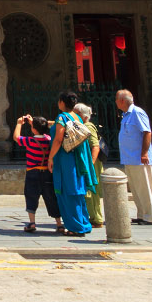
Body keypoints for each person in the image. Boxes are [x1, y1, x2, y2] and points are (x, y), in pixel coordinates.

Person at [47, 91, 98, 236]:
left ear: (62, 102)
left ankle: (76, 227)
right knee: (78, 192)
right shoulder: (77, 117)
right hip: (77, 158)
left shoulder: (62, 117)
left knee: (68, 192)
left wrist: (51, 157)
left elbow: (58, 139)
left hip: (65, 158)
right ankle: (84, 223)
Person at [116, 88, 152, 225]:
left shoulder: (137, 113)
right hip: (129, 158)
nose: (116, 102)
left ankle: (150, 216)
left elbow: (147, 132)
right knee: (136, 188)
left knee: (144, 188)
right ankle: (142, 214)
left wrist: (144, 153)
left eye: (116, 99)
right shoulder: (126, 115)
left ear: (122, 100)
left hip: (139, 158)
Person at [13, 113, 60, 234]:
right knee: (51, 198)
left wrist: (19, 124)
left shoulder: (30, 140)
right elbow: (51, 125)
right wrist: (36, 122)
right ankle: (59, 223)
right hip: (46, 172)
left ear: (33, 129)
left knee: (31, 196)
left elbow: (16, 137)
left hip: (32, 173)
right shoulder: (49, 140)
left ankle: (32, 222)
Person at [76, 102, 106, 228]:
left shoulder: (88, 126)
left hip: (92, 164)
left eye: (76, 114)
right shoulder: (82, 125)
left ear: (83, 116)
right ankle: (92, 216)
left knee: (92, 192)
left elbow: (95, 146)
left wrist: (91, 164)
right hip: (88, 163)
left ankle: (96, 219)